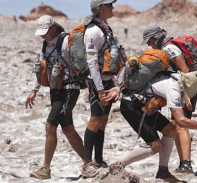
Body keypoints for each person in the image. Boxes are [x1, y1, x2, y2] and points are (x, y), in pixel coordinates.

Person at [104, 67, 197, 180]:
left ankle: (163, 172)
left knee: (170, 130)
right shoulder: (174, 88)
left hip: (142, 104)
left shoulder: (176, 77)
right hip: (131, 106)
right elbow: (181, 120)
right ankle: (118, 165)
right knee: (155, 145)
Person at [140, 25, 197, 174]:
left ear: (155, 38)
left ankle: (186, 164)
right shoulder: (169, 46)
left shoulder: (169, 48)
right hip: (184, 88)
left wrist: (185, 94)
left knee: (180, 125)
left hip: (184, 89)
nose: (148, 44)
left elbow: (184, 70)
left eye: (149, 41)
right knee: (176, 124)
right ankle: (183, 163)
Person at [25, 15, 84, 180]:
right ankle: (88, 163)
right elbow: (40, 67)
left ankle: (46, 169)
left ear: (53, 28)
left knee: (50, 126)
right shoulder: (45, 44)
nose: (43, 36)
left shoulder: (66, 42)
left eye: (45, 32)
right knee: (67, 128)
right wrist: (34, 90)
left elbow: (81, 63)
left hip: (70, 89)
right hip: (55, 90)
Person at [81, 0, 119, 178]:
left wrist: (114, 82)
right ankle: (87, 163)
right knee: (95, 119)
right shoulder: (93, 31)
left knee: (103, 119)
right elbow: (92, 62)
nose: (112, 8)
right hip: (98, 83)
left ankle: (99, 159)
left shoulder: (106, 28)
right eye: (109, 5)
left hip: (107, 80)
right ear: (100, 8)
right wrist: (100, 88)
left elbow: (110, 57)